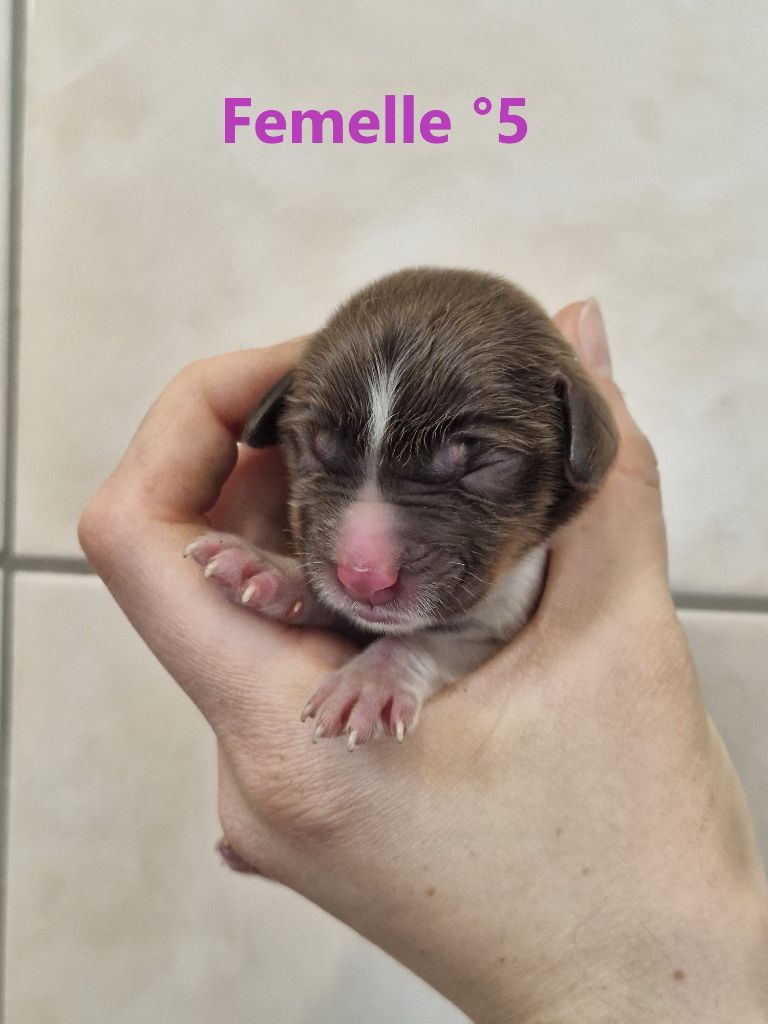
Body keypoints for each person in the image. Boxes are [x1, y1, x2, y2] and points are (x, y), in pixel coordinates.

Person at [78, 298, 768, 1021]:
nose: (363, 565)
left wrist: (407, 660)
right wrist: (300, 585)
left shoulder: (550, 573)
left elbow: (491, 636)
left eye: (475, 468)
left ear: (575, 435)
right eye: (320, 456)